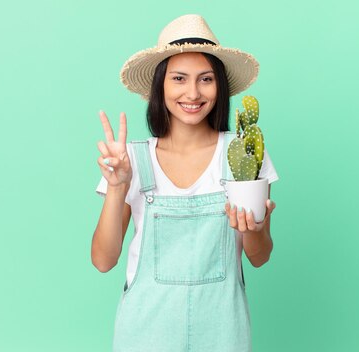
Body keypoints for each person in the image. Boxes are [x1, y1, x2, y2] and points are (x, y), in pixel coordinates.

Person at [92, 14, 279, 352]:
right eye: (179, 78)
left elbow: (260, 256)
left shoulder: (245, 153)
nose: (192, 93)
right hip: (144, 334)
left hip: (223, 333)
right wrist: (118, 186)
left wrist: (253, 227)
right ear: (160, 85)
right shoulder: (132, 160)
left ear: (219, 85)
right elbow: (104, 260)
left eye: (205, 79)